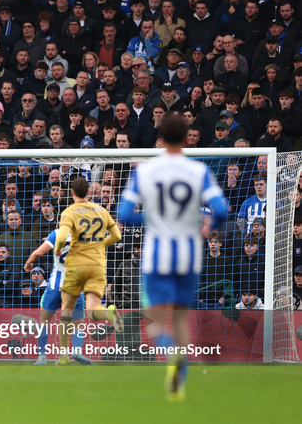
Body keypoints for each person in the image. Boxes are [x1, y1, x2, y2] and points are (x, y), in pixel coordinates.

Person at [118, 114, 228, 401]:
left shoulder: (145, 171)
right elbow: (222, 209)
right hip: (189, 255)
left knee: (154, 322)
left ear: (162, 138)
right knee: (180, 320)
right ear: (187, 137)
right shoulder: (198, 170)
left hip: (157, 255)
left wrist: (154, 220)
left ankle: (170, 355)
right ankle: (181, 380)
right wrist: (207, 226)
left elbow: (125, 214)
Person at [53, 177, 122, 365]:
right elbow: (117, 236)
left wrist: (58, 247)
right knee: (92, 310)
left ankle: (63, 356)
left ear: (73, 193)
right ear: (89, 193)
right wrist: (99, 245)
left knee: (67, 310)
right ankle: (108, 313)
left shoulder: (69, 211)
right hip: (98, 265)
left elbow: (61, 236)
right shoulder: (101, 211)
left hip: (76, 264)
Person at [24, 228, 92, 366]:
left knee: (44, 321)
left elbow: (39, 252)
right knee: (78, 323)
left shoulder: (57, 233)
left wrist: (28, 263)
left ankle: (42, 356)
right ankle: (77, 351)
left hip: (55, 286)